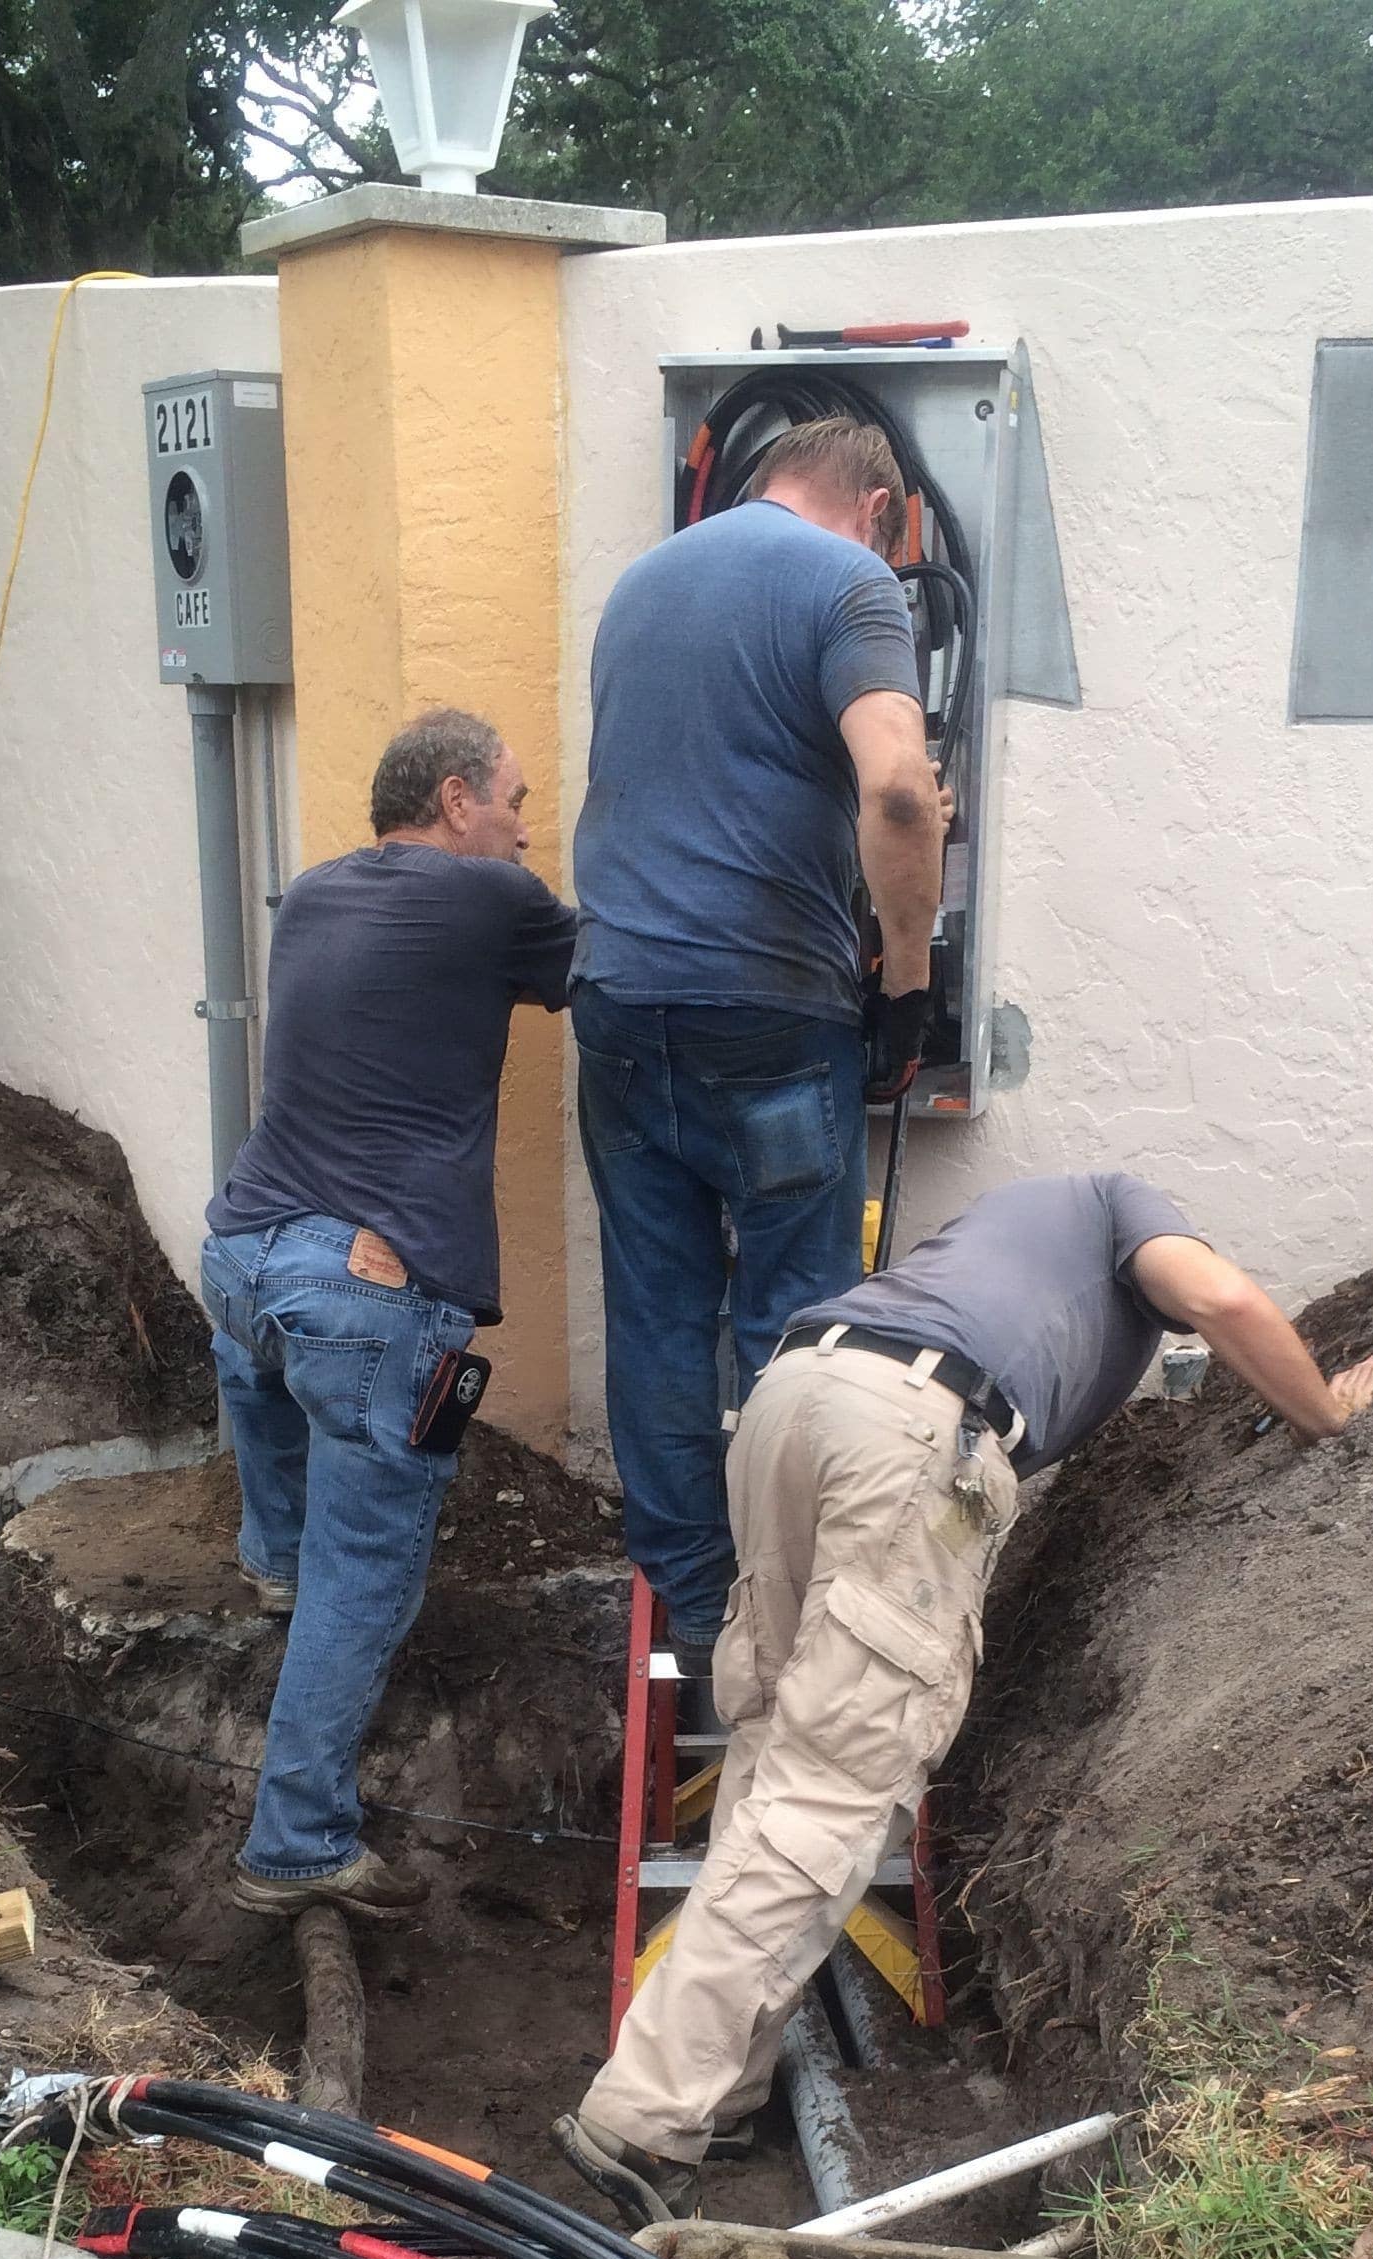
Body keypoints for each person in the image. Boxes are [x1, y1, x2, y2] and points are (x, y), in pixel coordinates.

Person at [551, 1172, 1373, 2217]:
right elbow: (1221, 1302)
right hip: (909, 1432)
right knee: (833, 1788)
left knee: (775, 1750)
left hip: (793, 1400)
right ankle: (640, 2119)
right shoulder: (1124, 1207)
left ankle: (722, 2094)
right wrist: (1323, 1413)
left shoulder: (1003, 1233)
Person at [571, 414, 946, 1674]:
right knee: (796, 1320)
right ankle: (795, 1611)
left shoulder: (643, 581)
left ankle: (692, 1596)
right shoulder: (848, 581)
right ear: (882, 511)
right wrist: (905, 979)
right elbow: (898, 789)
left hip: (620, 1004)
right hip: (769, 1017)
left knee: (659, 1309)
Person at [204, 707, 575, 1923]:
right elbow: (613, 962)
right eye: (516, 803)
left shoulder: (311, 894)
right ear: (459, 798)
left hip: (244, 1258)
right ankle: (298, 1839)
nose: (526, 831)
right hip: (359, 1300)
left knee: (266, 1388)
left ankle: (272, 1563)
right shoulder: (491, 899)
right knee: (365, 1580)